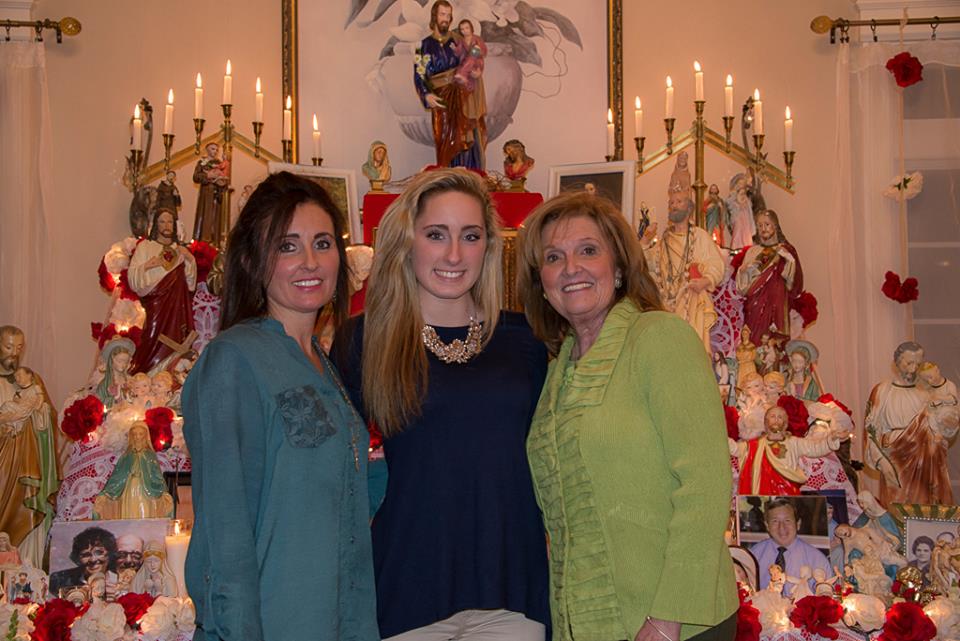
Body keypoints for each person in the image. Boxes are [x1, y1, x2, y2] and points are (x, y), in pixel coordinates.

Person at [332, 168, 549, 640]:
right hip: (405, 589)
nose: (454, 254)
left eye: (470, 236)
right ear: (407, 242)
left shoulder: (526, 340)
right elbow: (336, 473)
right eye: (436, 234)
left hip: (511, 595)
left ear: (488, 247)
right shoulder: (362, 341)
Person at [517, 191, 737, 640]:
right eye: (554, 257)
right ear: (541, 281)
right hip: (591, 624)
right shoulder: (557, 370)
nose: (571, 268)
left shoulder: (660, 337)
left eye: (588, 250)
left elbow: (706, 482)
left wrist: (666, 618)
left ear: (618, 268)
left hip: (675, 624)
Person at [182, 171, 378, 641]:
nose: (310, 261)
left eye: (322, 243)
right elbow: (226, 533)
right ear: (253, 260)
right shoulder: (234, 360)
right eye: (287, 246)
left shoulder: (323, 364)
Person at [0, 325, 60, 568]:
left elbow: (49, 419)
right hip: (3, 461)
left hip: (27, 463)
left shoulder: (32, 380)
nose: (14, 353)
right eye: (8, 347)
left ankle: (25, 571)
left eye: (19, 347)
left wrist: (40, 413)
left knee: (27, 507)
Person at [641, 195, 725, 352]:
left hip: (692, 300)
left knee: (691, 350)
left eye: (679, 202)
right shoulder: (664, 241)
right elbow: (646, 264)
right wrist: (645, 240)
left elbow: (716, 264)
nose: (674, 205)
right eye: (671, 202)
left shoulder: (699, 236)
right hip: (666, 304)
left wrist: (705, 281)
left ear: (689, 209)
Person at [414, 1, 487, 169]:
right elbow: (419, 73)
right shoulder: (423, 45)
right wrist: (426, 94)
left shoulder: (458, 40)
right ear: (434, 16)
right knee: (445, 141)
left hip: (462, 95)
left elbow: (474, 58)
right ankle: (449, 176)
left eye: (448, 15)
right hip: (441, 99)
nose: (446, 19)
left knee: (466, 138)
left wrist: (477, 71)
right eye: (442, 14)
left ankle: (469, 176)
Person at [127, 207, 197, 374]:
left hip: (176, 305)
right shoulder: (145, 247)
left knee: (176, 337)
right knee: (152, 336)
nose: (166, 225)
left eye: (170, 222)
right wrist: (149, 265)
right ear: (156, 225)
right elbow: (133, 278)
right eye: (162, 221)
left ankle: (172, 374)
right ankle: (149, 372)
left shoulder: (179, 250)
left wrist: (189, 258)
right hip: (156, 303)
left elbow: (190, 283)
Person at [729, 406, 849, 495]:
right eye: (772, 416)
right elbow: (735, 449)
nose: (776, 420)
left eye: (780, 417)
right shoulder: (753, 445)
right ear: (765, 422)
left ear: (786, 423)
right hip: (763, 494)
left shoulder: (794, 442)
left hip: (788, 492)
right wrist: (721, 438)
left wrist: (832, 438)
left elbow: (816, 448)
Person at [735, 210, 803, 340]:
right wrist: (744, 271)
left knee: (774, 340)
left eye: (767, 224)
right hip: (755, 302)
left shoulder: (785, 250)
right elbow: (742, 286)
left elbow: (793, 283)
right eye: (759, 225)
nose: (763, 229)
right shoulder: (753, 252)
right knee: (754, 336)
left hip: (777, 301)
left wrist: (788, 261)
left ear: (775, 226)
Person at [750, 499, 833, 597]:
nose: (782, 527)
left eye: (787, 520)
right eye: (775, 521)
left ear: (798, 524)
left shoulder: (818, 560)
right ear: (767, 526)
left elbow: (826, 600)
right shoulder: (753, 555)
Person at [94, 423, 174, 521]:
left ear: (145, 436)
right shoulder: (126, 456)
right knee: (129, 514)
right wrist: (106, 493)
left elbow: (156, 475)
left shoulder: (149, 456)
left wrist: (163, 492)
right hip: (130, 487)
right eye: (135, 434)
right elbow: (118, 476)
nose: (137, 437)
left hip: (145, 490)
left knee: (144, 513)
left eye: (140, 434)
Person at [49, 526, 117, 598]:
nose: (93, 560)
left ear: (109, 553)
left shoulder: (119, 580)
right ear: (77, 558)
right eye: (85, 555)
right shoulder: (60, 580)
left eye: (99, 553)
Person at [192, 141, 231, 244]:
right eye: (213, 149)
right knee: (205, 215)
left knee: (215, 218)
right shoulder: (202, 162)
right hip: (206, 194)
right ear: (207, 149)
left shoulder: (219, 163)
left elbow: (224, 178)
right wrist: (208, 176)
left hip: (216, 194)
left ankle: (215, 241)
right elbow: (196, 177)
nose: (215, 151)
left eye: (217, 150)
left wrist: (222, 182)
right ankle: (203, 241)